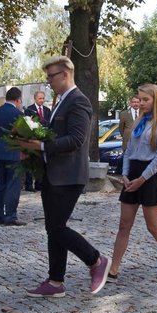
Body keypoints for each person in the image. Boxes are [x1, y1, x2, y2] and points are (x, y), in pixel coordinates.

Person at [19, 56, 111, 297]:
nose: (48, 82)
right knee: (53, 228)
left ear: (65, 74)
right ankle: (56, 281)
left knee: (58, 228)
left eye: (51, 76)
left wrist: (38, 146)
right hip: (54, 174)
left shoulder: (79, 101)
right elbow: (54, 136)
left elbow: (76, 140)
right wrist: (31, 151)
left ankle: (96, 260)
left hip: (69, 176)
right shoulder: (60, 101)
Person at [107, 84, 157, 282]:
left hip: (149, 176)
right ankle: (113, 269)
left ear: (155, 100)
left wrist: (141, 180)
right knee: (124, 224)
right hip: (132, 174)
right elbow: (129, 151)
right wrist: (124, 175)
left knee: (153, 226)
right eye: (139, 99)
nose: (141, 103)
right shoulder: (138, 122)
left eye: (145, 100)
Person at [0, 87, 25, 226]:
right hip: (13, 152)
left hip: (0, 151)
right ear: (18, 99)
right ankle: (10, 215)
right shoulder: (18, 114)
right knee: (13, 185)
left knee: (0, 185)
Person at [23, 91, 51, 192]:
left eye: (43, 98)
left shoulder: (47, 110)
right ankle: (29, 185)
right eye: (40, 98)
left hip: (42, 140)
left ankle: (39, 184)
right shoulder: (29, 110)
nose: (42, 100)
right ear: (35, 98)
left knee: (40, 162)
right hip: (32, 140)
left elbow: (49, 124)